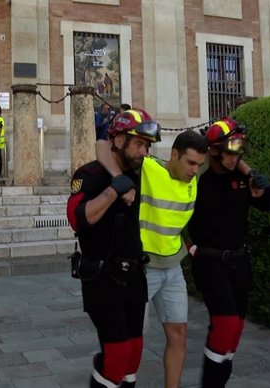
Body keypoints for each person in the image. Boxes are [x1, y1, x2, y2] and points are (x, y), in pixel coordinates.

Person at [95, 130, 207, 388]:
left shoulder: (195, 174)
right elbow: (102, 146)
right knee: (132, 340)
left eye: (199, 165)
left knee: (178, 334)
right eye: (190, 163)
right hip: (144, 270)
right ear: (174, 154)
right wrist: (119, 180)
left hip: (173, 268)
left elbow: (228, 153)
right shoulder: (149, 169)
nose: (194, 170)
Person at [67, 108, 161, 388]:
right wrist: (114, 189)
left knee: (133, 356)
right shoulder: (90, 174)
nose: (144, 152)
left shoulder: (141, 169)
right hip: (102, 278)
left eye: (146, 146)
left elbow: (102, 146)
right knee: (117, 355)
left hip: (134, 276)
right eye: (139, 144)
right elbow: (78, 218)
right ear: (119, 141)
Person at [187, 117, 270, 388]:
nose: (236, 156)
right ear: (213, 150)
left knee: (234, 329)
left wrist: (261, 185)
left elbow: (268, 204)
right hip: (211, 264)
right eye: (230, 150)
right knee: (224, 325)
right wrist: (187, 246)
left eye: (239, 150)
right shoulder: (199, 181)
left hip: (239, 263)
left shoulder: (242, 177)